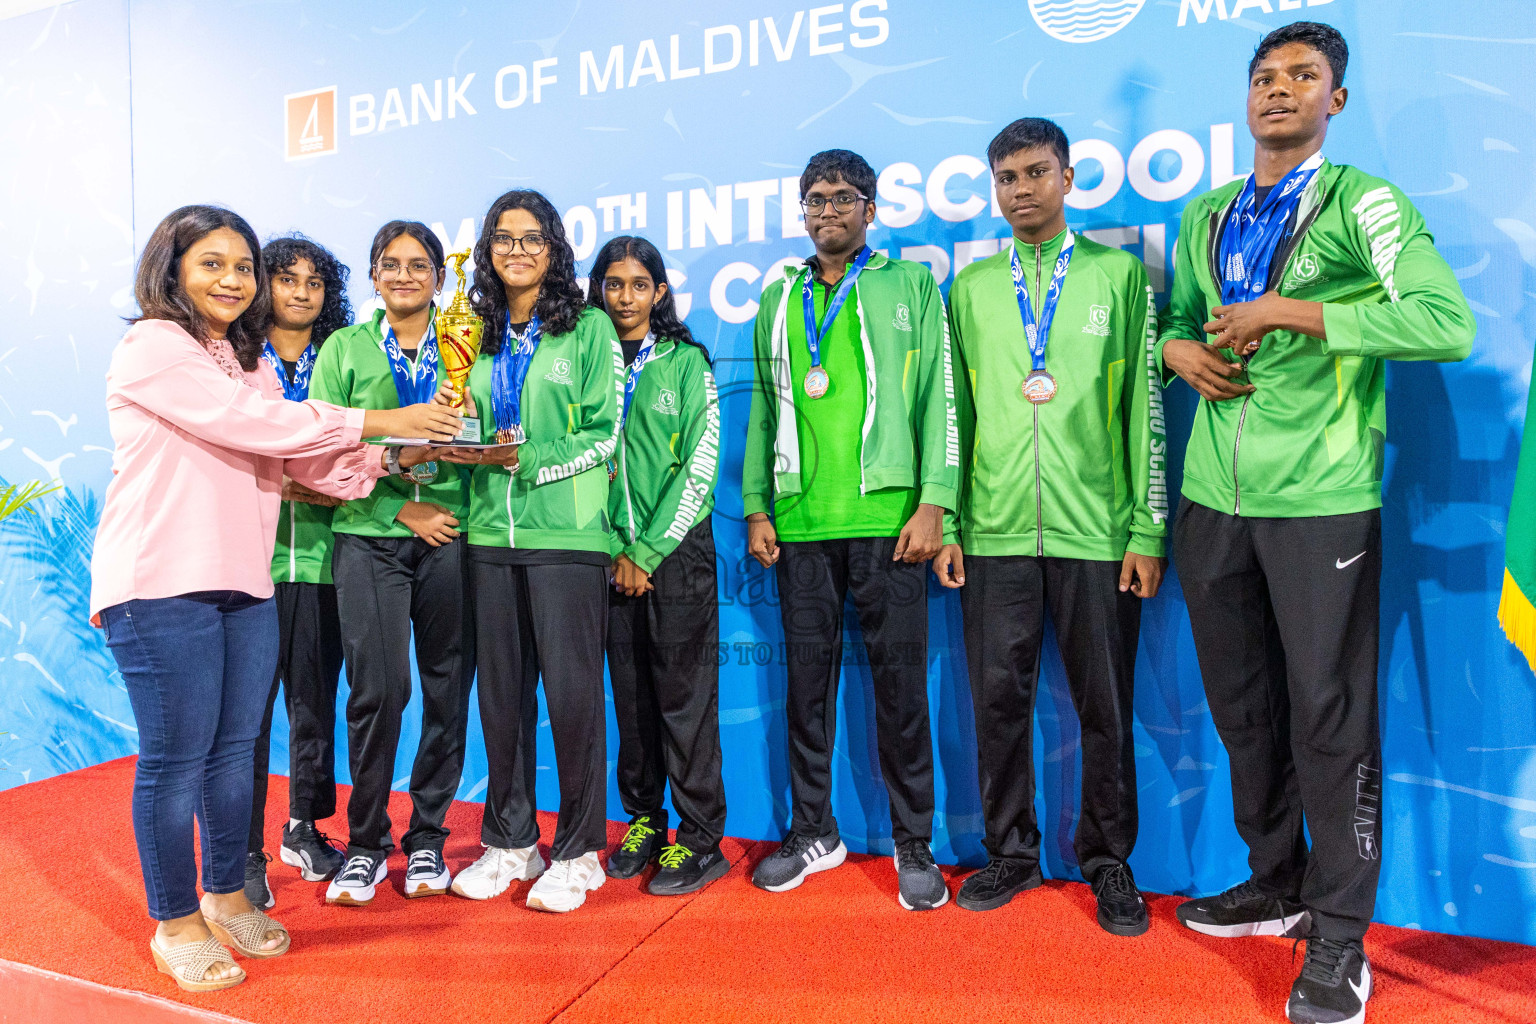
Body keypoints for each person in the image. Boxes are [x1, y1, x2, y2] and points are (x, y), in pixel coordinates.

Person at [1158, 22, 1474, 1024]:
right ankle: (1276, 880)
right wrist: (1179, 356)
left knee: (1330, 720)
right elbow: (1177, 319)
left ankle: (1340, 938)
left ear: (1336, 100)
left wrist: (1293, 314)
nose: (1279, 90)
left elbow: (1443, 324)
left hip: (1323, 497)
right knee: (1242, 708)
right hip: (1215, 497)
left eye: (1304, 76)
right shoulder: (1205, 212)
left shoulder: (1363, 204)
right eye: (1264, 76)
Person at [90, 205, 457, 991]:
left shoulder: (247, 358)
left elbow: (300, 463)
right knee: (177, 761)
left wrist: (393, 460)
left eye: (242, 266)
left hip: (245, 584)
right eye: (212, 263)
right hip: (160, 585)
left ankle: (225, 896)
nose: (233, 280)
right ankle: (175, 919)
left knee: (232, 758)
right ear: (172, 268)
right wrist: (382, 418)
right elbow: (253, 423)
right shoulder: (154, 346)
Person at [934, 118, 1165, 935]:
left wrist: (1147, 528)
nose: (1021, 190)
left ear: (1069, 178)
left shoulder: (1117, 276)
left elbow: (1146, 405)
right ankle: (1013, 854)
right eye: (1005, 178)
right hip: (992, 536)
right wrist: (951, 521)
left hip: (1099, 535)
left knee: (1105, 708)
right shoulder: (968, 290)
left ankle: (1109, 864)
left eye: (1036, 173)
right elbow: (952, 417)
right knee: (998, 704)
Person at [741, 149, 960, 911]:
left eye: (842, 197)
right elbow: (766, 405)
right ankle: (812, 832)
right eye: (813, 198)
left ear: (871, 208)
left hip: (889, 521)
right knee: (807, 691)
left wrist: (936, 499)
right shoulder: (779, 299)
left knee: (902, 693)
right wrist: (758, 505)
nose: (826, 209)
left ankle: (913, 843)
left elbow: (941, 396)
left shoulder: (911, 285)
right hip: (800, 523)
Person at [441, 190, 624, 913]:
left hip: (567, 537)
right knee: (503, 701)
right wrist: (455, 437)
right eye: (502, 238)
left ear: (554, 248)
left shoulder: (587, 329)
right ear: (488, 250)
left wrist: (528, 459)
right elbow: (472, 425)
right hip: (490, 536)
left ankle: (579, 852)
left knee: (574, 701)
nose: (516, 251)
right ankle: (510, 841)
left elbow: (605, 431)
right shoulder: (475, 335)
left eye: (531, 238)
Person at [309, 221, 477, 906]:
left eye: (418, 265)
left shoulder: (468, 341)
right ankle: (368, 844)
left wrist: (468, 417)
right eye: (390, 264)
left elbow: (488, 436)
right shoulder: (344, 349)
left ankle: (430, 839)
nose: (404, 275)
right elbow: (317, 455)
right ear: (372, 276)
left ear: (440, 276)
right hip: (370, 536)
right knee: (378, 692)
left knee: (446, 687)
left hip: (452, 534)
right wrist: (400, 509)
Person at [588, 235, 727, 896]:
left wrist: (645, 552)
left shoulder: (685, 362)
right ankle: (644, 820)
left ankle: (700, 838)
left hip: (675, 558)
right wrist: (614, 548)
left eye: (638, 284)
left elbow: (700, 464)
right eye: (613, 284)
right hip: (608, 559)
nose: (624, 297)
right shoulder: (587, 362)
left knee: (683, 699)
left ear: (660, 292)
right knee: (633, 701)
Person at [243, 236, 354, 911]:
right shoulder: (234, 360)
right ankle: (244, 851)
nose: (302, 291)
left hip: (321, 563)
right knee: (247, 722)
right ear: (265, 286)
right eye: (287, 279)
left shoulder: (338, 363)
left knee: (313, 708)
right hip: (246, 566)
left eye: (315, 281)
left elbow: (354, 453)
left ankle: (304, 829)